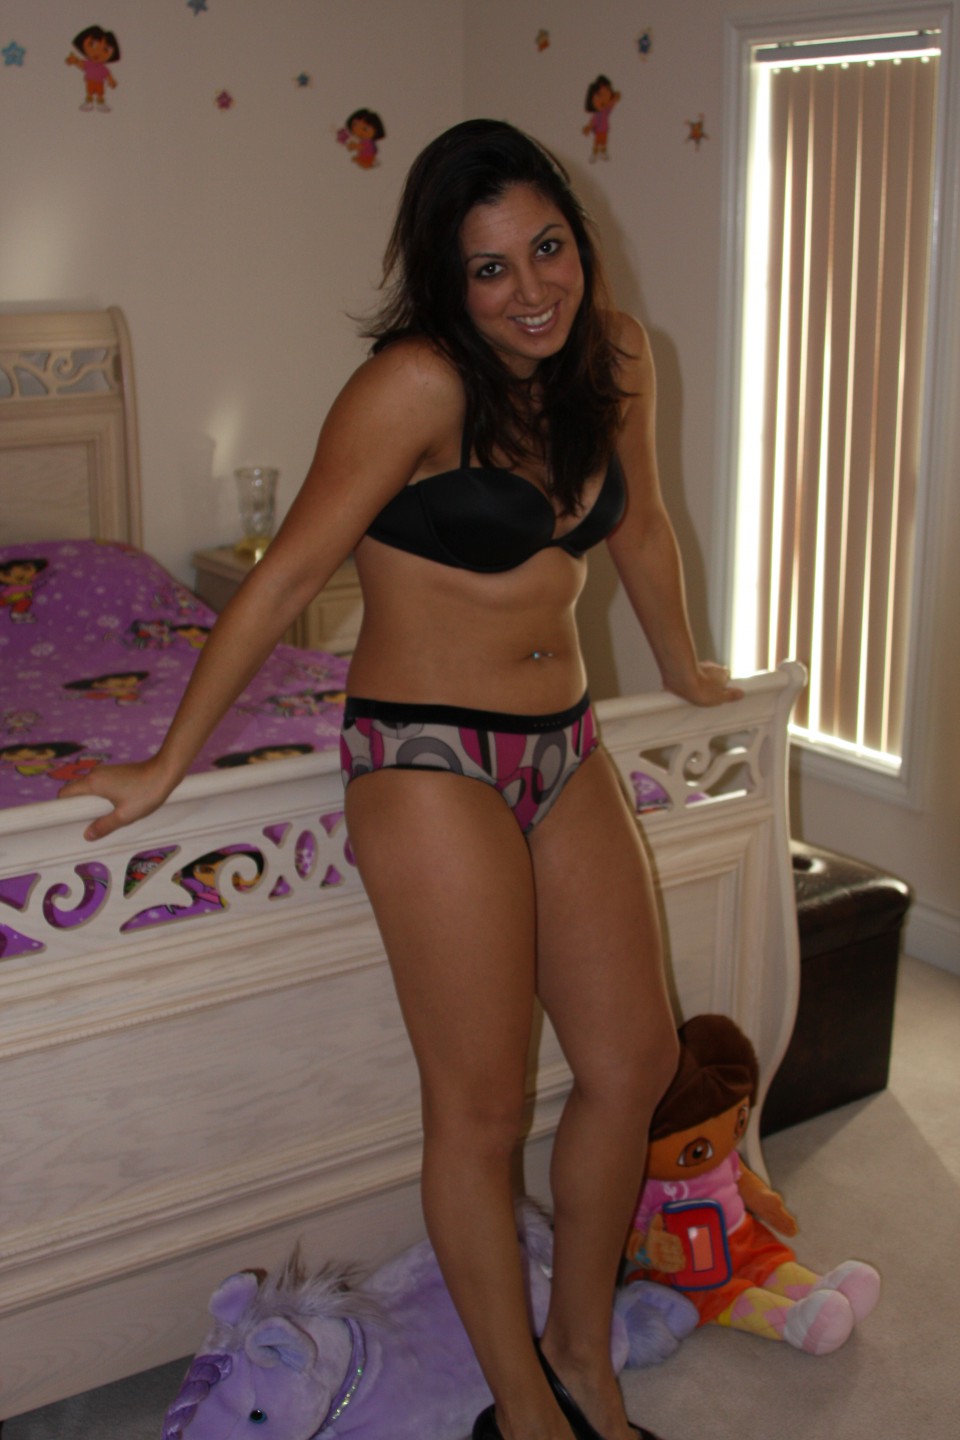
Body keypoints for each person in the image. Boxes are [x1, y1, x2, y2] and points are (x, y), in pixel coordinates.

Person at [60, 119, 742, 1440]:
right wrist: (164, 762)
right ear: (447, 279)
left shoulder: (616, 355)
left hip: (565, 742)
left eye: (548, 248)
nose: (531, 289)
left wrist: (689, 670)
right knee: (481, 1112)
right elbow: (283, 582)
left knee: (637, 1059)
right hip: (428, 756)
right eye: (490, 268)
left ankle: (581, 1354)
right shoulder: (412, 388)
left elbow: (646, 525)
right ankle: (523, 1414)